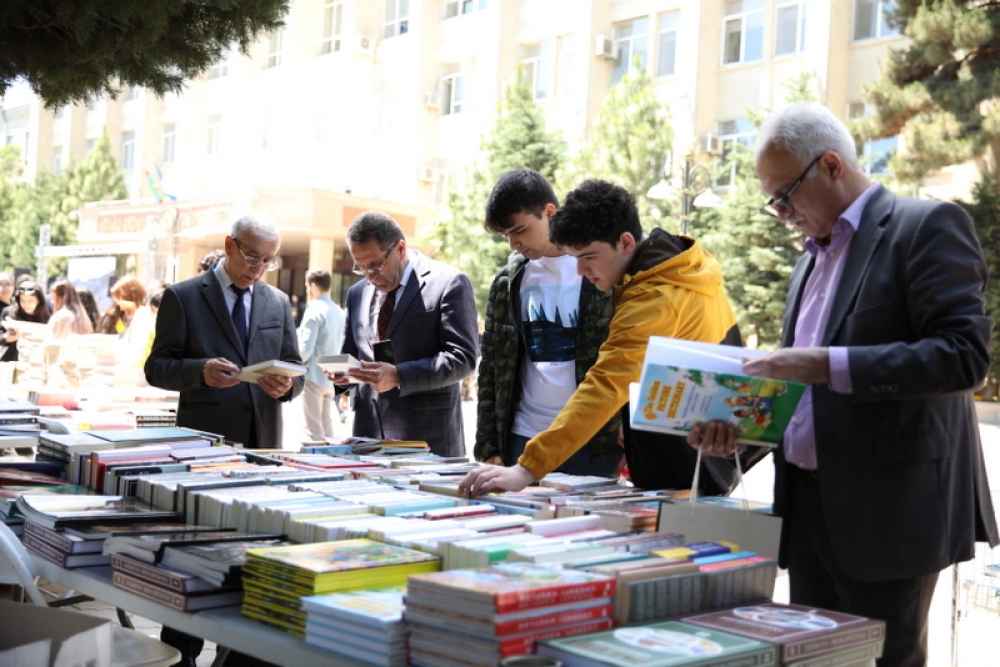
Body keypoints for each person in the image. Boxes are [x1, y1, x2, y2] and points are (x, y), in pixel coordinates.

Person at [689, 102, 998, 667]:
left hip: (889, 512)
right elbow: (799, 395)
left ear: (830, 165)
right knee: (817, 660)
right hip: (808, 512)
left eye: (785, 196)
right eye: (772, 201)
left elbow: (963, 357)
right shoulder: (809, 261)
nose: (781, 214)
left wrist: (829, 364)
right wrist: (740, 429)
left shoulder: (924, 227)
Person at [460, 178, 750, 496]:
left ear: (625, 243)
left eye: (588, 257)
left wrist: (527, 468)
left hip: (686, 463)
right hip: (693, 454)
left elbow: (606, 384)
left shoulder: (654, 298)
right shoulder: (677, 270)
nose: (581, 270)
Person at [475, 169, 622, 477]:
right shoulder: (507, 283)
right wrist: (488, 448)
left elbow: (628, 358)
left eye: (520, 230)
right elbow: (491, 368)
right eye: (507, 236)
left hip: (592, 442)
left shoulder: (600, 270)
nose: (514, 243)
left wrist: (626, 428)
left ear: (549, 212)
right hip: (521, 440)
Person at [145, 212, 304, 449]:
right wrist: (200, 372)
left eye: (268, 261)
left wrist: (288, 386)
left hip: (263, 439)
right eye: (252, 257)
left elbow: (295, 368)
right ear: (229, 245)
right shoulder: (182, 297)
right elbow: (156, 368)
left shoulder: (278, 301)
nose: (258, 269)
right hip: (206, 439)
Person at [334, 211, 478, 457]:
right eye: (361, 267)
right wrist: (344, 378)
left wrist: (400, 375)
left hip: (427, 439)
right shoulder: (357, 293)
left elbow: (463, 359)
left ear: (400, 248)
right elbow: (351, 352)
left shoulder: (449, 283)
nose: (369, 275)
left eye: (376, 264)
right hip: (368, 436)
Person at [297, 269, 346, 441]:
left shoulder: (314, 311)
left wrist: (291, 366)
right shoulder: (339, 312)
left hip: (313, 376)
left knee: (314, 432)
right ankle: (332, 462)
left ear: (313, 285)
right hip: (331, 377)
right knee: (327, 428)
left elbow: (305, 349)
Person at [1, 281, 51, 362]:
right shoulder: (9, 313)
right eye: (22, 301)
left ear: (38, 300)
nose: (26, 305)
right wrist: (6, 338)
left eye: (30, 301)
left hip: (35, 361)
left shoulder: (46, 317)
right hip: (11, 360)